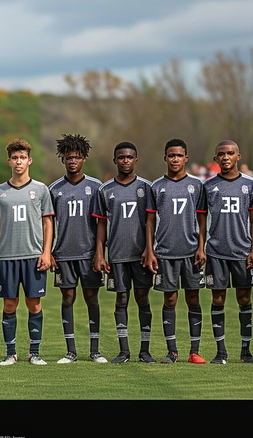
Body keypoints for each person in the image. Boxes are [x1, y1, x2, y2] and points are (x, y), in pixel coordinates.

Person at [142, 138, 207, 364]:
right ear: (165, 158)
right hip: (165, 253)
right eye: (171, 155)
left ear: (186, 158)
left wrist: (201, 247)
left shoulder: (197, 185)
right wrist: (150, 251)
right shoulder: (156, 187)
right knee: (170, 300)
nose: (175, 159)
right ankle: (172, 351)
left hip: (191, 253)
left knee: (193, 298)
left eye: (179, 155)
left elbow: (201, 218)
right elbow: (149, 221)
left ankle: (195, 351)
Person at [0, 138, 54, 366]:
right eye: (15, 158)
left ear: (30, 160)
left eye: (23, 158)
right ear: (9, 161)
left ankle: (34, 352)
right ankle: (11, 353)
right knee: (9, 305)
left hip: (33, 256)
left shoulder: (40, 190)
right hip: (8, 257)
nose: (19, 162)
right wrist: (0, 248)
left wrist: (46, 252)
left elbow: (47, 223)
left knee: (34, 304)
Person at [93, 141, 155, 364]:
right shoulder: (105, 189)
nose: (125, 161)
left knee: (142, 298)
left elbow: (150, 221)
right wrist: (100, 253)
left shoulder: (147, 188)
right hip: (117, 255)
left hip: (140, 255)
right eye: (121, 157)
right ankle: (124, 350)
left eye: (129, 157)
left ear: (136, 159)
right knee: (121, 299)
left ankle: (145, 350)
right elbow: (100, 224)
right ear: (115, 160)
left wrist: (150, 249)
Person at [49, 134, 108, 364]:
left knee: (92, 298)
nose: (72, 160)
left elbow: (101, 223)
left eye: (77, 157)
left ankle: (95, 350)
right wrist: (50, 251)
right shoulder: (54, 189)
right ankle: (70, 351)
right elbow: (48, 224)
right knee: (68, 298)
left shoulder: (96, 187)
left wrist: (99, 253)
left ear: (84, 158)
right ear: (62, 158)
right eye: (68, 157)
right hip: (63, 254)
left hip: (89, 254)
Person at [200, 140, 253, 364]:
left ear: (239, 156)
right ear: (216, 158)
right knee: (218, 298)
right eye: (221, 154)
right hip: (216, 252)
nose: (226, 157)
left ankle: (246, 351)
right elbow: (202, 220)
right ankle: (221, 352)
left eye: (230, 153)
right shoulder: (207, 186)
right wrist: (202, 247)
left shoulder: (251, 185)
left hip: (242, 251)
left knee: (244, 298)